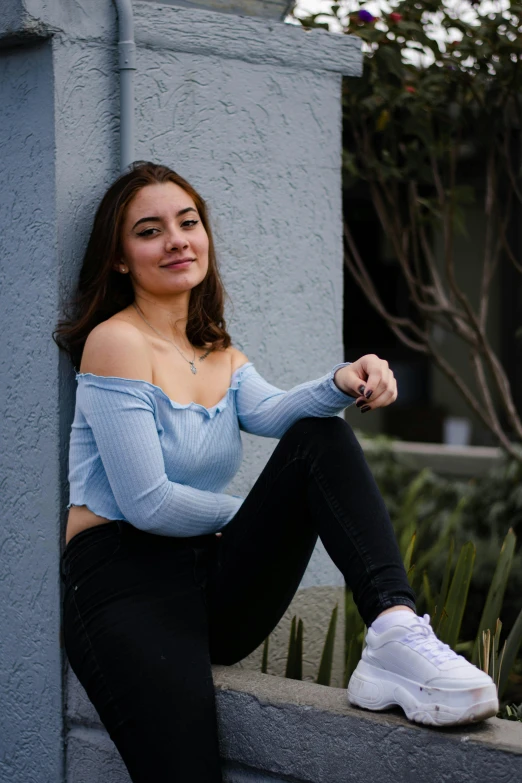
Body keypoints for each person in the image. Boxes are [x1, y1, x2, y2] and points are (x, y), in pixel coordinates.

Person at [54, 161, 498, 783]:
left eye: (188, 222)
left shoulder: (218, 350)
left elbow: (274, 412)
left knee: (322, 435)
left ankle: (395, 630)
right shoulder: (116, 342)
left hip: (208, 584)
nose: (178, 239)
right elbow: (147, 503)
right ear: (121, 258)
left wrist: (344, 380)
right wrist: (260, 515)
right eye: (150, 231)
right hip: (124, 584)